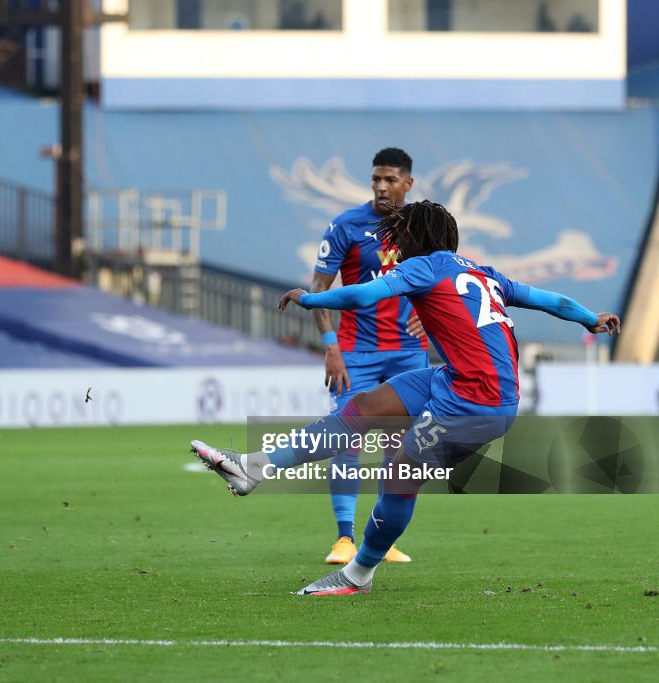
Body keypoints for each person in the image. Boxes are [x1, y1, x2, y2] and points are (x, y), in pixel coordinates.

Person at [191, 200, 620, 595]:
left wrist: (311, 299)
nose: (394, 243)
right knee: (363, 407)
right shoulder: (484, 272)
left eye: (401, 233)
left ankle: (357, 576)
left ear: (419, 237)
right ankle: (253, 469)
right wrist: (589, 319)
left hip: (476, 402)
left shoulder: (426, 267)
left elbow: (361, 295)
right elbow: (552, 300)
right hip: (455, 380)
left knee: (399, 476)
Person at [310, 147, 426, 565]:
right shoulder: (345, 226)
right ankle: (343, 538)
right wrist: (330, 347)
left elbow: (448, 281)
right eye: (376, 178)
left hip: (409, 354)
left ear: (408, 183)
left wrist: (431, 324)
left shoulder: (424, 228)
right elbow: (319, 288)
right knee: (347, 435)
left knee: (400, 446)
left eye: (390, 179)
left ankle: (382, 538)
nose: (381, 186)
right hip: (355, 353)